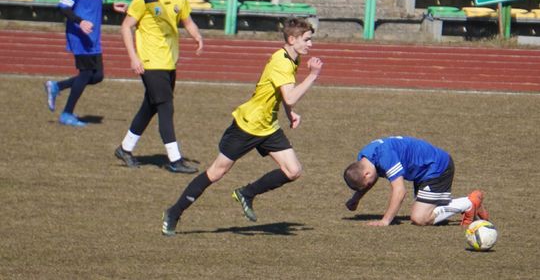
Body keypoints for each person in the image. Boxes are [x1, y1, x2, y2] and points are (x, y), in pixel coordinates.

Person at [161, 17, 323, 236]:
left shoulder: (292, 58)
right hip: (247, 126)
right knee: (216, 172)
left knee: (293, 171)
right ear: (292, 39)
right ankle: (174, 212)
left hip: (267, 126)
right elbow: (291, 96)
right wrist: (313, 76)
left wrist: (288, 112)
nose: (311, 44)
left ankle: (247, 193)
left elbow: (281, 93)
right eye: (307, 40)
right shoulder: (282, 62)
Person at [114, 0, 203, 174]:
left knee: (151, 106)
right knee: (166, 107)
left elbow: (187, 21)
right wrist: (134, 58)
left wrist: (198, 37)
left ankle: (125, 148)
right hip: (150, 62)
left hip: (169, 62)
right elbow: (126, 27)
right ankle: (174, 159)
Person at [343, 135, 489, 227]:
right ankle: (468, 204)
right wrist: (356, 198)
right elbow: (370, 179)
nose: (368, 187)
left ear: (366, 174)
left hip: (437, 168)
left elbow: (400, 191)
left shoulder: (384, 157)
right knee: (427, 211)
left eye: (366, 185)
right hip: (423, 172)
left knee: (420, 218)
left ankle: (469, 203)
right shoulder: (365, 158)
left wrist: (385, 220)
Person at [44, 0, 105, 127]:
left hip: (94, 35)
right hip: (79, 34)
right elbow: (63, 7)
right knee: (86, 73)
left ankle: (57, 86)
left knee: (97, 76)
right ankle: (67, 114)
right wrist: (81, 22)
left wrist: (113, 7)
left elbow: (95, 4)